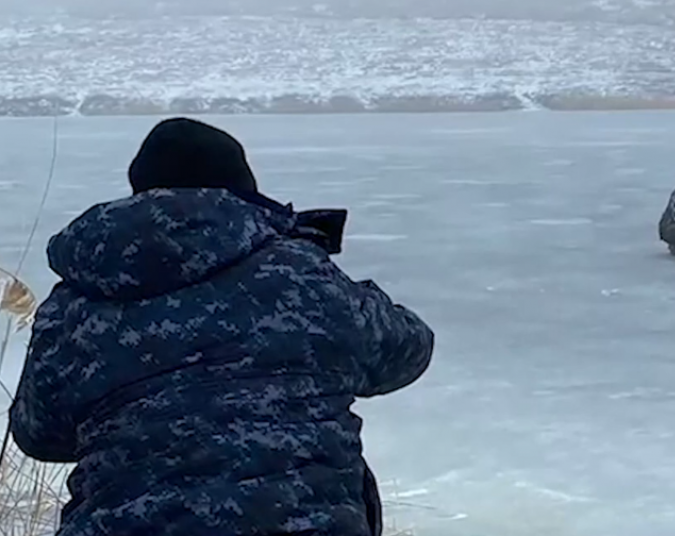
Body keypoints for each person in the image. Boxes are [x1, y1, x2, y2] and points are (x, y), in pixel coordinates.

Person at [9, 117, 435, 536]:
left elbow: (38, 434)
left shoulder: (77, 302)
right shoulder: (298, 274)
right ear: (243, 191)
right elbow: (409, 350)